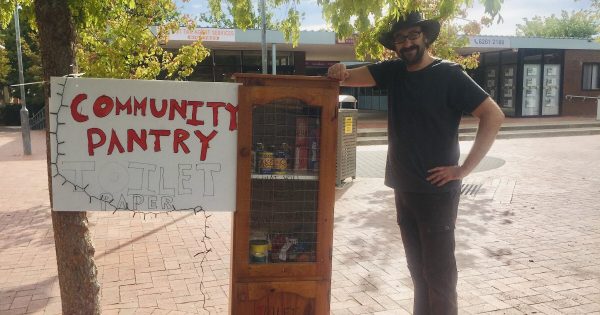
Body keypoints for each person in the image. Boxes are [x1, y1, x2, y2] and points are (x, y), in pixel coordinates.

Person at [327, 11, 505, 315]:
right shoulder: (395, 71)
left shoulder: (449, 74)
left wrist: (463, 170)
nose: (406, 43)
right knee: (418, 272)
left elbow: (494, 115)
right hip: (404, 188)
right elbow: (349, 76)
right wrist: (339, 69)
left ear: (425, 37)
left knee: (440, 276)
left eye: (412, 35)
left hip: (437, 192)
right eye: (400, 38)